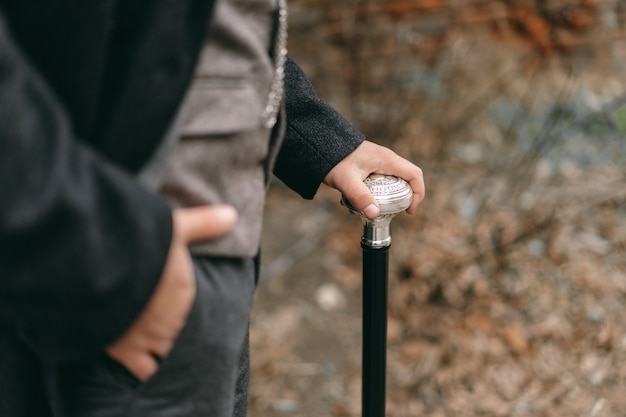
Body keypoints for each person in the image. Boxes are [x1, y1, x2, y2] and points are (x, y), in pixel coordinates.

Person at [0, 0, 424, 416]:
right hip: (114, 256)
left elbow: (212, 26)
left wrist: (317, 137)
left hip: (195, 257)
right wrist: (87, 241)